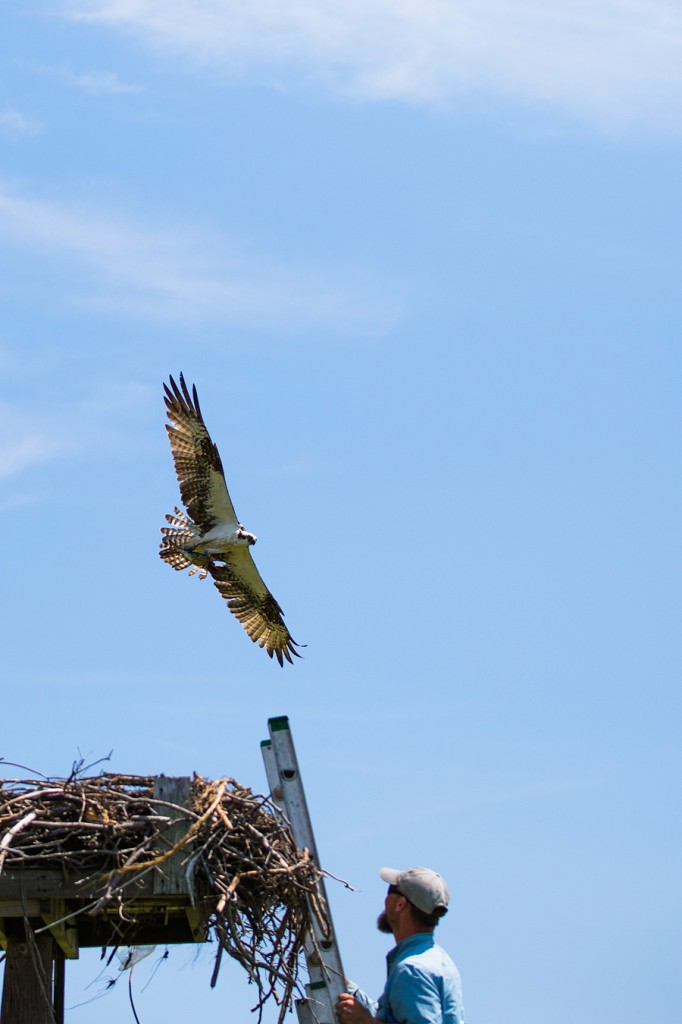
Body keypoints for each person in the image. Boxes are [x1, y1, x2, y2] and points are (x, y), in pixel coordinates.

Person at [336, 866, 465, 1024]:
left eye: (390, 891)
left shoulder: (412, 970)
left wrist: (364, 1021)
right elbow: (392, 1017)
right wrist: (348, 989)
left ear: (400, 904)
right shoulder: (437, 959)